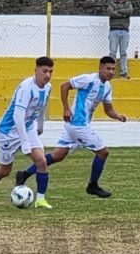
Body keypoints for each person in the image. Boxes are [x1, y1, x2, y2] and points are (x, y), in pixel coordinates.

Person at [14, 56, 128, 198]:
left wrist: (118, 116)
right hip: (77, 124)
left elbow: (108, 110)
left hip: (78, 124)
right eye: (108, 68)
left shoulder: (107, 87)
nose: (111, 72)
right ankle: (92, 185)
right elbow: (64, 86)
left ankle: (23, 174)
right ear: (100, 68)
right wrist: (66, 109)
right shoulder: (88, 79)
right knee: (103, 152)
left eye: (113, 69)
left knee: (58, 155)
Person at [0, 57, 54, 208]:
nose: (47, 75)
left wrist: (40, 126)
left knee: (41, 161)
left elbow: (42, 107)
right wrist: (25, 141)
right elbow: (17, 116)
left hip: (27, 128)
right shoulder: (26, 88)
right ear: (36, 71)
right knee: (5, 170)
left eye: (50, 72)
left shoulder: (48, 88)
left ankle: (40, 199)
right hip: (8, 132)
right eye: (44, 71)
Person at [107, 0, 133, 78]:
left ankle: (124, 73)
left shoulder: (128, 3)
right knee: (112, 52)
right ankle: (111, 72)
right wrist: (123, 14)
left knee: (123, 53)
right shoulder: (111, 3)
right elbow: (110, 12)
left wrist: (117, 11)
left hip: (125, 30)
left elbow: (129, 11)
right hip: (114, 30)